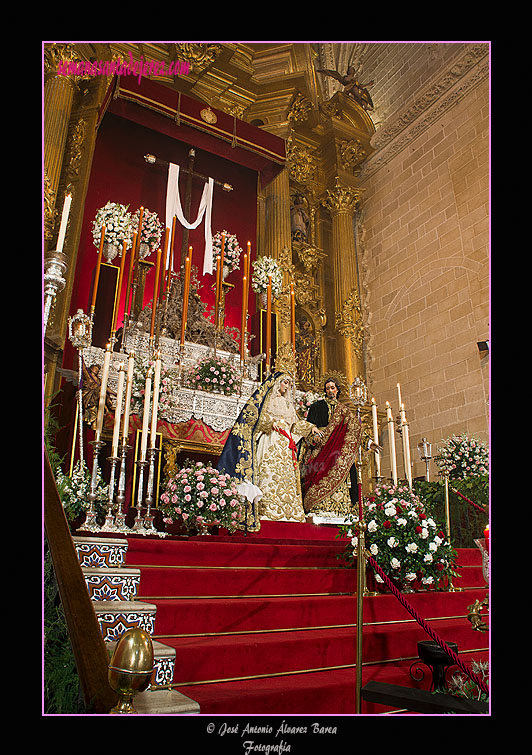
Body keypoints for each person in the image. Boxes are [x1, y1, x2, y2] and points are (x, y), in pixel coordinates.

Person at [217, 349, 321, 531]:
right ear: (277, 383)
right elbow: (256, 418)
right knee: (269, 472)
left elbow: (295, 424)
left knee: (287, 475)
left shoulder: (289, 404)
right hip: (271, 440)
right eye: (285, 382)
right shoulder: (268, 400)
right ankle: (267, 509)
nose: (287, 386)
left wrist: (311, 427)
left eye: (289, 383)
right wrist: (272, 423)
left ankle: (290, 512)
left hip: (286, 444)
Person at [301, 377, 380, 517]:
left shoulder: (344, 411)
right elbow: (308, 427)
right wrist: (315, 437)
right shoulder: (316, 407)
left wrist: (369, 442)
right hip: (322, 448)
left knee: (344, 473)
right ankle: (319, 506)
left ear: (337, 390)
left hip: (338, 451)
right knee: (318, 474)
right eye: (327, 388)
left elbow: (356, 430)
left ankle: (341, 508)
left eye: (333, 387)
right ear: (325, 391)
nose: (330, 390)